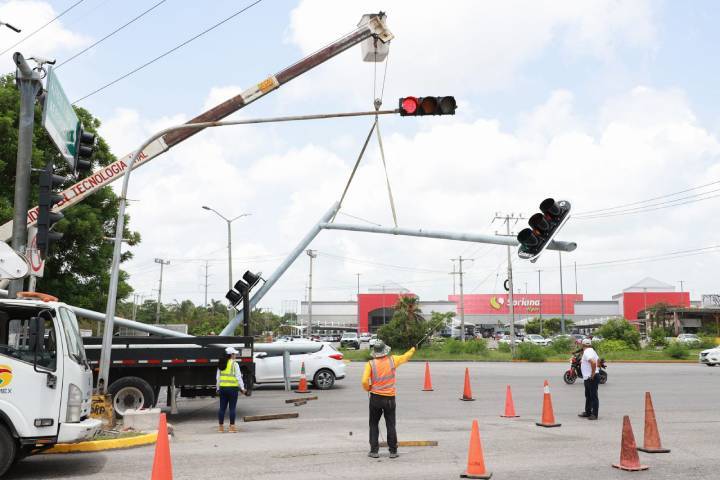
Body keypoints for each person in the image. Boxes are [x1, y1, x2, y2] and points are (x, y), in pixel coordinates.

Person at [361, 340, 415, 459]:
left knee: (374, 424)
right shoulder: (393, 360)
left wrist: (368, 388)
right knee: (390, 424)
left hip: (375, 398)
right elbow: (405, 357)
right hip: (390, 398)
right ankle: (393, 451)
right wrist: (412, 349)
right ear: (385, 350)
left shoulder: (370, 364)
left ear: (375, 352)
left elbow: (364, 381)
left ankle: (374, 451)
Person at [216, 346, 246, 432]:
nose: (235, 355)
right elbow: (238, 377)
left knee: (222, 408)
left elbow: (218, 378)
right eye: (234, 354)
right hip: (232, 389)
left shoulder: (221, 364)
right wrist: (243, 388)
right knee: (232, 408)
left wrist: (218, 388)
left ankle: (221, 428)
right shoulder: (234, 364)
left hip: (223, 388)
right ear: (231, 355)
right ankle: (232, 427)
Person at [578, 338, 600, 420]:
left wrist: (593, 373)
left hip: (591, 377)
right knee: (588, 395)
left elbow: (593, 362)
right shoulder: (592, 351)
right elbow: (598, 361)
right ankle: (588, 412)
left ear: (582, 345)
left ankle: (594, 414)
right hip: (588, 377)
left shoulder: (587, 352)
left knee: (593, 396)